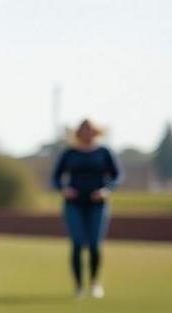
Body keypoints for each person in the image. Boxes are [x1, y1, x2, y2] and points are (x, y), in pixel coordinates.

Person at [51, 119, 121, 299]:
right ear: (78, 133)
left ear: (96, 131)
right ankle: (79, 286)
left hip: (97, 203)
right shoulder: (70, 153)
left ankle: (95, 282)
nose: (87, 133)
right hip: (74, 203)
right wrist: (64, 190)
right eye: (83, 130)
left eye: (90, 129)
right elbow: (56, 177)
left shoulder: (104, 152)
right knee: (77, 243)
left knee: (94, 244)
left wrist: (106, 190)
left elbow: (116, 176)